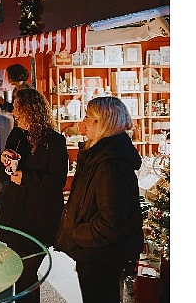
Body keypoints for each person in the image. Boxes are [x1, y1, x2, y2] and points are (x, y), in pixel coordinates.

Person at [54, 96, 144, 303]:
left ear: (101, 123)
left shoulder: (109, 165)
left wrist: (76, 233)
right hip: (95, 252)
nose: (82, 123)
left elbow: (110, 223)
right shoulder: (97, 155)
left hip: (101, 255)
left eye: (87, 117)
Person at [0, 88, 68, 303]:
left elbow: (57, 181)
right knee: (19, 271)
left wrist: (25, 177)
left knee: (27, 272)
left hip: (39, 218)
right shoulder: (17, 135)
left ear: (32, 111)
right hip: (15, 213)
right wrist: (4, 161)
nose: (15, 113)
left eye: (19, 109)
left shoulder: (54, 141)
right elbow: (4, 174)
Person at [0, 63, 31, 215]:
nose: (6, 77)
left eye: (8, 74)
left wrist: (5, 105)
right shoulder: (20, 89)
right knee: (11, 168)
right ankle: (4, 203)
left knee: (10, 167)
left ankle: (1, 203)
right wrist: (4, 105)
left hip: (22, 135)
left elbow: (19, 112)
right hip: (20, 133)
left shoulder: (23, 91)